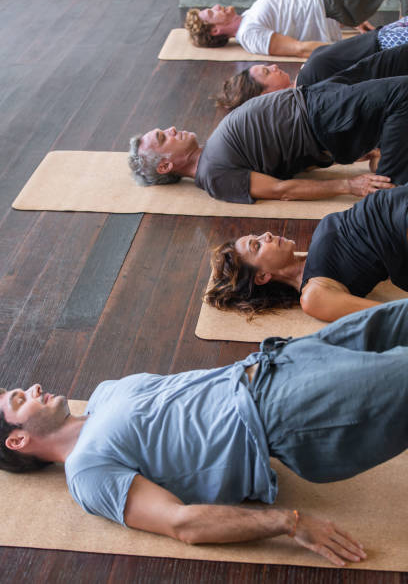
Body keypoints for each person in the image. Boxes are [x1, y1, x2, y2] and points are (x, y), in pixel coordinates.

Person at [1, 299, 408, 567]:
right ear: (18, 440)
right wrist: (290, 522)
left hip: (280, 357)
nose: (34, 388)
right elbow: (182, 523)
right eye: (20, 400)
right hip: (286, 413)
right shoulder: (87, 474)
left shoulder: (105, 393)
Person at [129, 68, 408, 204]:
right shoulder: (214, 175)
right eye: (164, 138)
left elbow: (282, 160)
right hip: (321, 116)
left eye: (164, 130)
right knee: (402, 93)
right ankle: (388, 202)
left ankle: (391, 181)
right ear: (166, 166)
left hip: (319, 106)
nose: (172, 130)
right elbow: (280, 189)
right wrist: (349, 185)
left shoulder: (213, 155)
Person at [206, 187, 408, 323]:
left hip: (396, 201)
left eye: (257, 236)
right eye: (256, 246)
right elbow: (390, 316)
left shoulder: (310, 257)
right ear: (262, 276)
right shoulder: (313, 296)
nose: (265, 235)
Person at [184, 0, 408, 57]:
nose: (215, 5)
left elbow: (297, 14)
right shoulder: (250, 35)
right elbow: (299, 49)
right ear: (215, 29)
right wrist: (351, 52)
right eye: (210, 13)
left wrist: (356, 23)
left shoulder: (248, 17)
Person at [215, 17, 408, 110]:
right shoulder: (308, 83)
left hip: (386, 38)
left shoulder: (306, 80)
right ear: (266, 93)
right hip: (388, 46)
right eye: (267, 72)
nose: (274, 66)